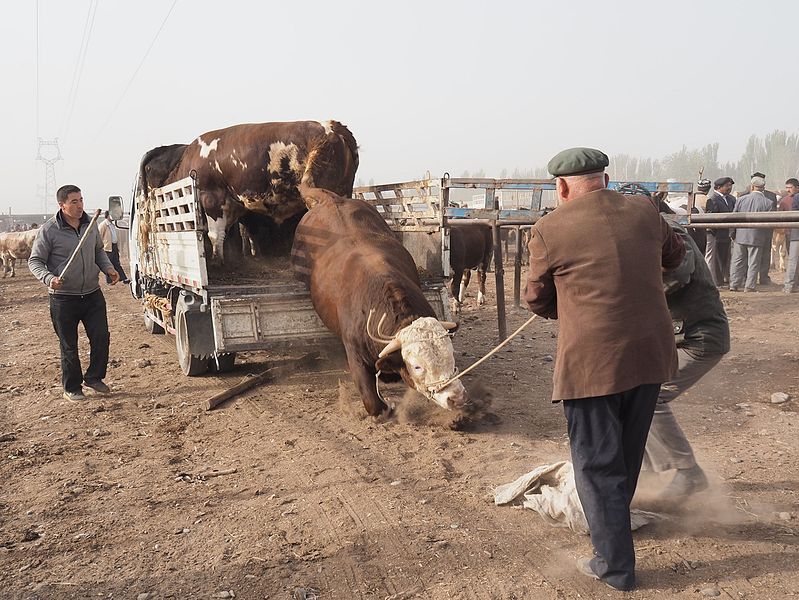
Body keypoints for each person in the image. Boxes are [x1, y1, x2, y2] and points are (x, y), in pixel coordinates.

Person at [524, 149, 685, 592]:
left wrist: (567, 304)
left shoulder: (549, 228)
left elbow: (535, 298)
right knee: (626, 454)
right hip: (650, 355)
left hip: (593, 363)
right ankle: (613, 528)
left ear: (560, 187)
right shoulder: (645, 210)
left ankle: (613, 566)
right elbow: (675, 256)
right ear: (605, 179)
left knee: (596, 464)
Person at [618, 186, 730, 498]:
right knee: (630, 394)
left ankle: (688, 473)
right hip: (678, 337)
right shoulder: (647, 234)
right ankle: (651, 469)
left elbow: (679, 272)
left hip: (699, 337)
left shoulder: (671, 231)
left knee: (649, 397)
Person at [29, 185, 119, 402]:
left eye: (81, 200)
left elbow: (98, 251)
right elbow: (35, 261)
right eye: (74, 202)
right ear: (62, 205)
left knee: (101, 337)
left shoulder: (90, 225)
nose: (80, 206)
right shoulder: (49, 230)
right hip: (63, 298)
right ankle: (72, 387)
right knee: (69, 345)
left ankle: (94, 377)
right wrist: (50, 278)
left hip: (91, 294)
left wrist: (108, 268)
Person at [729, 177, 773, 292]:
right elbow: (769, 223)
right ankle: (749, 286)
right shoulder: (768, 203)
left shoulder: (741, 199)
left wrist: (732, 233)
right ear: (763, 188)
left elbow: (733, 218)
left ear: (752, 187)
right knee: (753, 262)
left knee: (737, 261)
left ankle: (734, 284)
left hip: (740, 236)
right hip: (757, 237)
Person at [704, 177, 736, 287]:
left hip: (728, 233)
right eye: (727, 186)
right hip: (718, 234)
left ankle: (725, 279)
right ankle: (718, 281)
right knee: (717, 259)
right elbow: (711, 218)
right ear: (718, 187)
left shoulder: (731, 199)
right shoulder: (713, 200)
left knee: (725, 258)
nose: (729, 188)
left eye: (730, 185)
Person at [749, 172, 779, 285]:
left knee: (765, 254)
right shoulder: (745, 195)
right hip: (751, 231)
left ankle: (763, 277)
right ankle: (751, 278)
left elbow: (774, 214)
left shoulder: (771, 196)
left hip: (765, 230)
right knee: (751, 255)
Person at [98, 210, 130, 284]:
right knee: (108, 264)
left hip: (114, 246)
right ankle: (109, 281)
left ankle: (123, 278)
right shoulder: (103, 225)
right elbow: (99, 236)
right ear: (108, 215)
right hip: (107, 248)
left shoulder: (112, 224)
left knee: (116, 263)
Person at [783, 178, 799, 293]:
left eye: (790, 188)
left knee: (793, 260)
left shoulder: (796, 198)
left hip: (796, 234)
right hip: (795, 233)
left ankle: (789, 286)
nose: (788, 190)